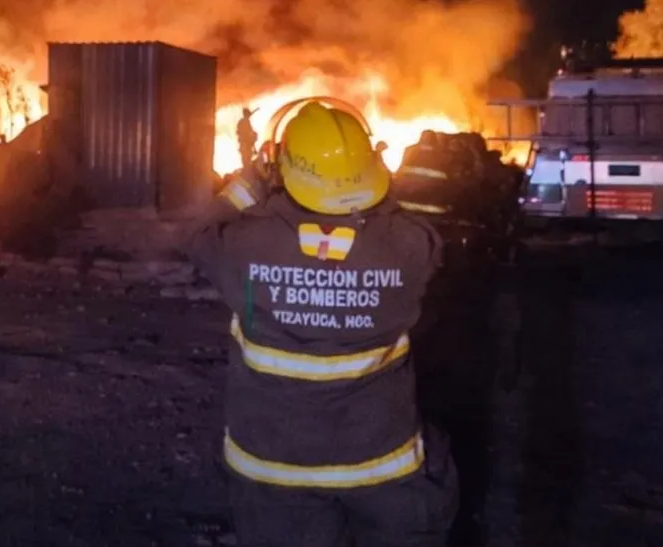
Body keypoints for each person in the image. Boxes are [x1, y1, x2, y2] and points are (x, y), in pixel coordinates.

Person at [183, 102, 458, 547]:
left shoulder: (245, 245)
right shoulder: (409, 247)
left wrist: (251, 185)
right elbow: (404, 221)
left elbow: (197, 234)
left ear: (282, 169)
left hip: (274, 468)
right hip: (381, 465)